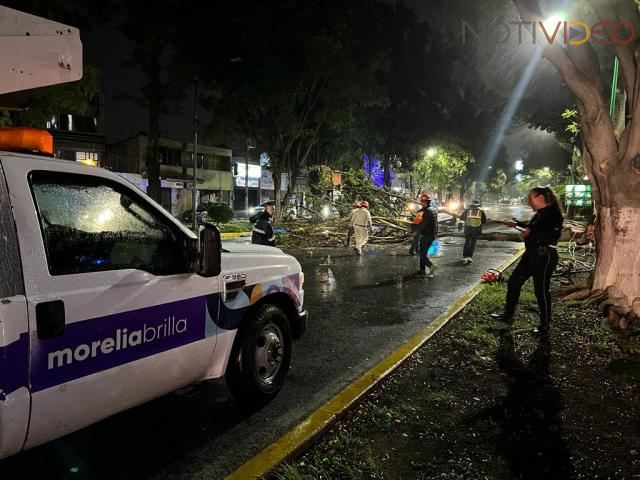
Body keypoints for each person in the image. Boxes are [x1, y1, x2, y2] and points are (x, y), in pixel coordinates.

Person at [491, 186, 564, 335]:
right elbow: (531, 227)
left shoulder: (553, 213)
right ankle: (508, 316)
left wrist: (531, 233)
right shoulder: (539, 214)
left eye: (531, 197)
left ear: (541, 197)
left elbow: (550, 235)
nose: (529, 200)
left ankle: (544, 326)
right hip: (531, 254)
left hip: (544, 255)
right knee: (514, 282)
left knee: (541, 290)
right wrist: (516, 224)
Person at [412, 193, 438, 277]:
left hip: (427, 235)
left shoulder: (427, 211)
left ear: (425, 202)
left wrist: (416, 231)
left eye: (422, 202)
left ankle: (431, 266)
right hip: (431, 234)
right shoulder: (433, 210)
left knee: (422, 253)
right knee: (423, 252)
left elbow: (423, 224)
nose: (421, 203)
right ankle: (422, 270)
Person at [459, 199, 487, 264]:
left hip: (468, 229)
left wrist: (460, 226)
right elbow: (484, 221)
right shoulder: (481, 211)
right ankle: (470, 257)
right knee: (472, 243)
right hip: (476, 229)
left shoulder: (467, 210)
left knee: (467, 242)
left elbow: (462, 218)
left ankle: (464, 256)